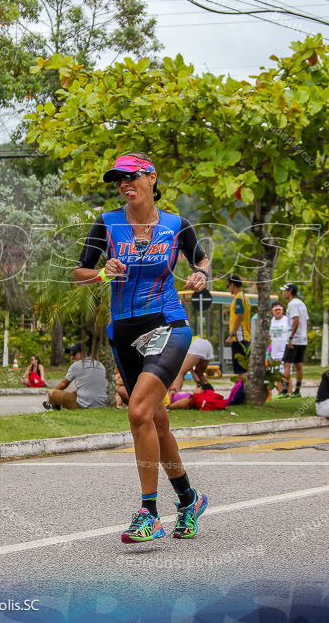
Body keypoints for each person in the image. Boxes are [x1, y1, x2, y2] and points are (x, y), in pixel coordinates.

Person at [75, 151, 210, 543]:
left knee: (137, 412)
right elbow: (80, 272)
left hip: (167, 323)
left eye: (131, 176)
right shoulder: (106, 224)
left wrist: (200, 274)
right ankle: (189, 499)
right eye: (119, 179)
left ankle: (148, 512)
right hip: (122, 332)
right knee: (155, 419)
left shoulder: (176, 225)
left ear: (151, 177)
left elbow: (200, 259)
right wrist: (103, 270)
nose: (124, 184)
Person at [44, 343, 106, 410]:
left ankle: (52, 406)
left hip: (83, 405)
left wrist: (50, 397)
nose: (71, 357)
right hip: (101, 404)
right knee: (74, 392)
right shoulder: (100, 364)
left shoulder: (76, 365)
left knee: (52, 393)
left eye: (74, 354)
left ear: (84, 353)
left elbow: (64, 384)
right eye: (70, 355)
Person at [280, 283, 309, 396]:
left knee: (287, 364)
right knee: (299, 365)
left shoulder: (292, 304)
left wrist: (291, 337)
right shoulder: (302, 303)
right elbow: (307, 321)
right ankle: (297, 390)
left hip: (294, 339)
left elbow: (295, 320)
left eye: (285, 291)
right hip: (303, 339)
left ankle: (285, 391)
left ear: (290, 292)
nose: (283, 293)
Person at [225, 274, 251, 379]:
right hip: (246, 337)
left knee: (241, 371)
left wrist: (232, 334)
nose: (229, 289)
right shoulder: (245, 297)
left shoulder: (239, 298)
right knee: (243, 369)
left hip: (240, 338)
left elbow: (239, 316)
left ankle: (246, 393)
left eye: (228, 286)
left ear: (232, 284)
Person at [267, 301, 289, 396]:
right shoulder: (271, 321)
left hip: (285, 351)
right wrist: (268, 351)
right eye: (276, 310)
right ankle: (280, 393)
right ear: (272, 311)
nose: (278, 312)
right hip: (274, 352)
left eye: (279, 309)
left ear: (282, 310)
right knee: (277, 374)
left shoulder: (286, 320)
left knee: (286, 373)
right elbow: (269, 337)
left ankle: (289, 392)